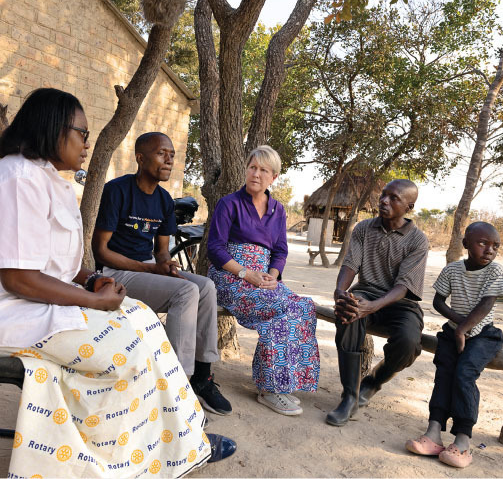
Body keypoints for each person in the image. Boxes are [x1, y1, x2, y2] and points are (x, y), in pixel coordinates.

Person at [0, 88, 235, 478]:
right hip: (17, 309)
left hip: (47, 298)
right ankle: (130, 455)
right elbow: (18, 276)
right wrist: (92, 302)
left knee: (143, 319)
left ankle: (181, 433)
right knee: (128, 350)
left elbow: (56, 263)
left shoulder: (46, 178)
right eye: (83, 133)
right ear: (54, 129)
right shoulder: (19, 178)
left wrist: (91, 280)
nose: (87, 143)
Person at [92, 132, 231, 416]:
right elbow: (101, 251)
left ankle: (202, 378)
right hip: (116, 272)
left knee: (205, 287)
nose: (168, 159)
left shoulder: (164, 199)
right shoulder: (117, 190)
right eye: (161, 153)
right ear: (140, 158)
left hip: (146, 268)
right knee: (186, 291)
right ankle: (175, 385)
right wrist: (152, 268)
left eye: (171, 154)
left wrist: (166, 265)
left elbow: (162, 251)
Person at [207, 145, 320, 416]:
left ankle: (283, 383)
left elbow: (280, 250)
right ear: (246, 169)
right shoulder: (229, 203)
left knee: (303, 306)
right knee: (280, 309)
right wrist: (246, 273)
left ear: (274, 177)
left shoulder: (278, 210)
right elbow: (215, 248)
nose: (256, 174)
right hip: (230, 276)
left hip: (264, 279)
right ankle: (270, 389)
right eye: (252, 167)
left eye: (263, 170)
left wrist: (273, 276)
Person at [406, 221, 503, 468]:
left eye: (495, 246)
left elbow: (486, 305)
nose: (489, 250)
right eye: (482, 243)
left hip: (484, 335)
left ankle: (463, 440)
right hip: (453, 332)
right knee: (444, 373)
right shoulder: (452, 270)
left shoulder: (496, 272)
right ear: (465, 244)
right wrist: (459, 326)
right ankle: (433, 433)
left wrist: (465, 328)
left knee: (464, 374)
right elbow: (438, 302)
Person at [327, 179, 429, 426]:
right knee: (349, 312)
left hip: (400, 301)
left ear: (409, 206)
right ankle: (349, 396)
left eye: (393, 198)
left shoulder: (417, 240)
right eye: (384, 195)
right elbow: (351, 264)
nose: (384, 201)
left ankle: (374, 380)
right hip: (367, 292)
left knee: (408, 341)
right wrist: (340, 291)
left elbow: (404, 286)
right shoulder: (364, 228)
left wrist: (374, 306)